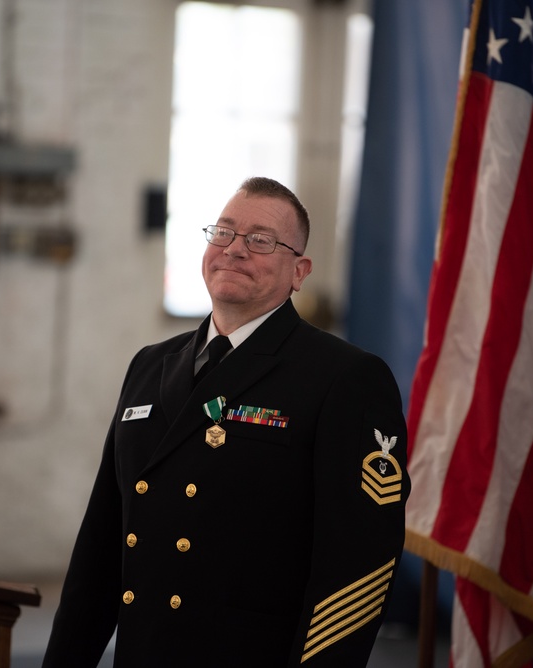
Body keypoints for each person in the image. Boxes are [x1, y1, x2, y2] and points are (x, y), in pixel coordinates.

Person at [43, 177, 410, 667]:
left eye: (261, 240)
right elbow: (102, 546)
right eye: (223, 233)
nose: (234, 250)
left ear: (299, 271)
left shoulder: (343, 377)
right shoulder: (151, 365)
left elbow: (359, 565)